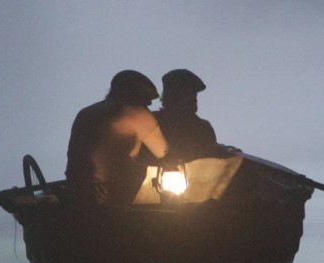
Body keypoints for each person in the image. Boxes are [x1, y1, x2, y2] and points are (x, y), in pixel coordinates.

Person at [66, 70, 170, 204]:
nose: (148, 106)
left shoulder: (86, 112)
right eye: (147, 101)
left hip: (75, 192)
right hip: (112, 199)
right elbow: (164, 154)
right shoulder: (138, 114)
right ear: (136, 97)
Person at [156, 68, 221, 160]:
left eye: (193, 94)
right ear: (170, 95)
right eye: (186, 93)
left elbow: (210, 156)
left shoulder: (202, 127)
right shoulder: (152, 121)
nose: (193, 98)